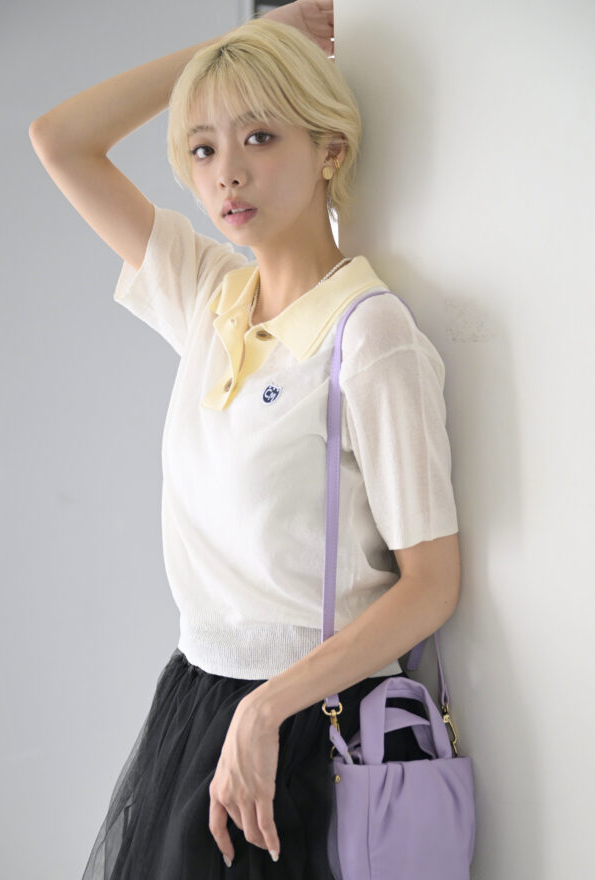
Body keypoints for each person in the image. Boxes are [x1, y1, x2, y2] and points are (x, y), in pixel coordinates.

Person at [29, 2, 461, 877]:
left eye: (260, 137)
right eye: (202, 149)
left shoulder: (367, 335)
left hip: (309, 721)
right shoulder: (210, 297)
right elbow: (61, 140)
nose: (227, 172)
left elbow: (431, 584)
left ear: (329, 150)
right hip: (199, 700)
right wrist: (236, 52)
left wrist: (267, 710)